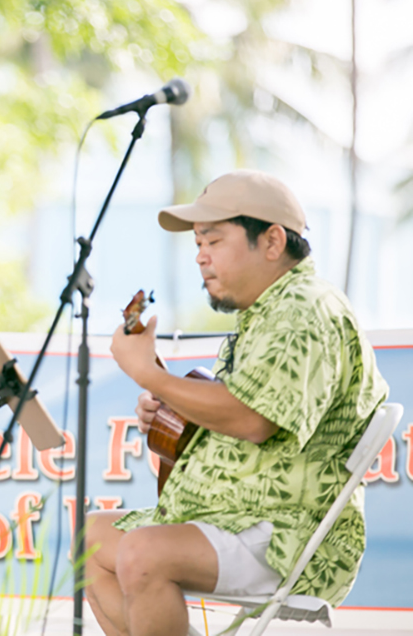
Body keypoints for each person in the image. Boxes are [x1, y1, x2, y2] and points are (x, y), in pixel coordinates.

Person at [88, 170, 388, 636]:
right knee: (89, 538)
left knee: (142, 554)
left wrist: (148, 373)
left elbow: (252, 420)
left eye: (213, 241)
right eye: (197, 245)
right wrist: (168, 400)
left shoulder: (305, 309)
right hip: (233, 519)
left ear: (271, 242)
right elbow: (236, 408)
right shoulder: (267, 312)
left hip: (286, 529)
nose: (201, 258)